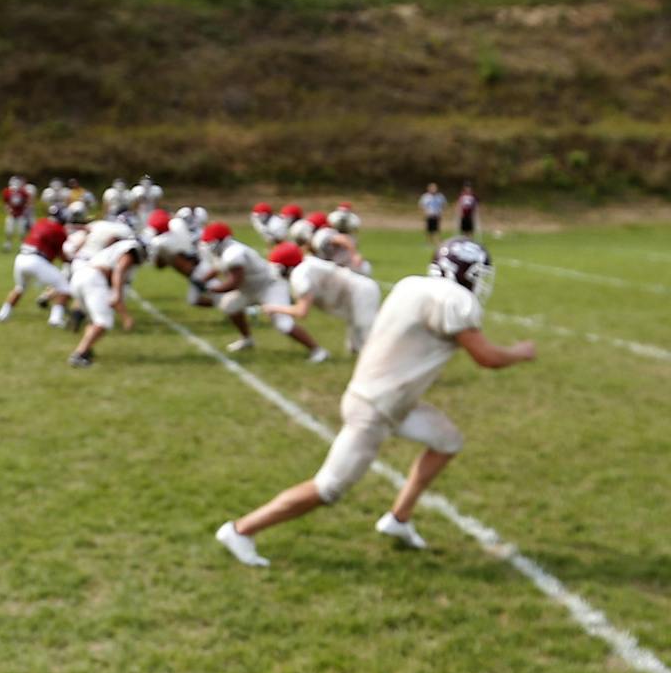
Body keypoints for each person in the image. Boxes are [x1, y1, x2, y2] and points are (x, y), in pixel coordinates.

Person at [214, 238, 534, 567]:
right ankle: (241, 529)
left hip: (390, 400)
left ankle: (399, 518)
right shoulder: (455, 299)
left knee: (447, 441)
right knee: (328, 489)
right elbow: (487, 358)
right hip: (376, 407)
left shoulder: (413, 285)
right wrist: (520, 352)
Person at [198, 222, 329, 362]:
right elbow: (218, 268)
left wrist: (211, 288)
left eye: (210, 241)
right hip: (250, 288)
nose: (207, 245)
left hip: (270, 286)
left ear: (222, 240)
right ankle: (247, 339)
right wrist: (202, 280)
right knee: (230, 306)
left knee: (283, 323)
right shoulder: (224, 252)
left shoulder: (234, 253)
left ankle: (318, 350)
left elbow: (235, 282)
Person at [261, 232, 379, 354]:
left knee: (369, 341)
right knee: (357, 348)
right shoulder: (306, 264)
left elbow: (301, 311)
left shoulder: (300, 276)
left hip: (362, 293)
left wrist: (274, 308)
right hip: (356, 293)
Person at [66, 231, 144, 368]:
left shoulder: (117, 248)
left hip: (80, 276)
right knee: (104, 322)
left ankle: (86, 351)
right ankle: (78, 354)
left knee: (94, 320)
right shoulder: (131, 250)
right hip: (93, 279)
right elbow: (119, 271)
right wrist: (121, 304)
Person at [0, 214, 75, 325]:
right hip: (36, 260)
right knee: (64, 288)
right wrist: (70, 261)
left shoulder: (41, 222)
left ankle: (3, 315)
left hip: (21, 258)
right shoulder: (59, 230)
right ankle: (55, 319)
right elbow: (61, 253)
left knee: (19, 288)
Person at [2, 175, 32, 249]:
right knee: (9, 230)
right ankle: (8, 244)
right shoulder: (7, 191)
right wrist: (8, 209)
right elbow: (5, 203)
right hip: (11, 214)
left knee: (22, 231)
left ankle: (23, 245)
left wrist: (25, 211)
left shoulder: (23, 192)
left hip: (21, 214)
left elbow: (27, 202)